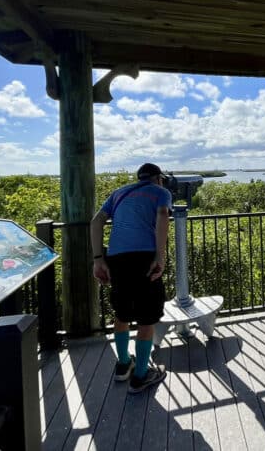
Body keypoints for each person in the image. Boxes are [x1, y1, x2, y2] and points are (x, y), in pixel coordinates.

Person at [90, 162, 172, 394]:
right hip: (145, 257)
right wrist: (160, 255)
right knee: (147, 317)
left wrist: (98, 259)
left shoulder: (119, 193)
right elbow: (163, 214)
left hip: (117, 258)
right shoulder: (160, 192)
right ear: (158, 179)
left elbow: (96, 222)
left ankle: (123, 364)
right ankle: (141, 376)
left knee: (122, 313)